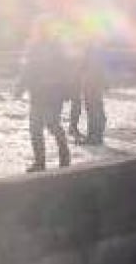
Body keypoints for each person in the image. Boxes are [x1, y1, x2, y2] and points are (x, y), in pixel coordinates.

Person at [15, 14, 73, 172]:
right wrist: (20, 87)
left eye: (42, 27)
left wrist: (67, 89)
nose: (39, 30)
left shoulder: (58, 47)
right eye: (38, 27)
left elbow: (67, 69)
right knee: (35, 128)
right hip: (37, 93)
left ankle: (65, 156)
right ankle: (39, 162)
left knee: (52, 124)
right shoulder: (33, 46)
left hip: (54, 93)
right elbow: (26, 70)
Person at [68, 45, 106, 145]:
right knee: (96, 107)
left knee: (93, 109)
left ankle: (94, 137)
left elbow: (85, 65)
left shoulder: (91, 48)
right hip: (94, 81)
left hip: (91, 81)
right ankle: (96, 136)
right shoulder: (94, 47)